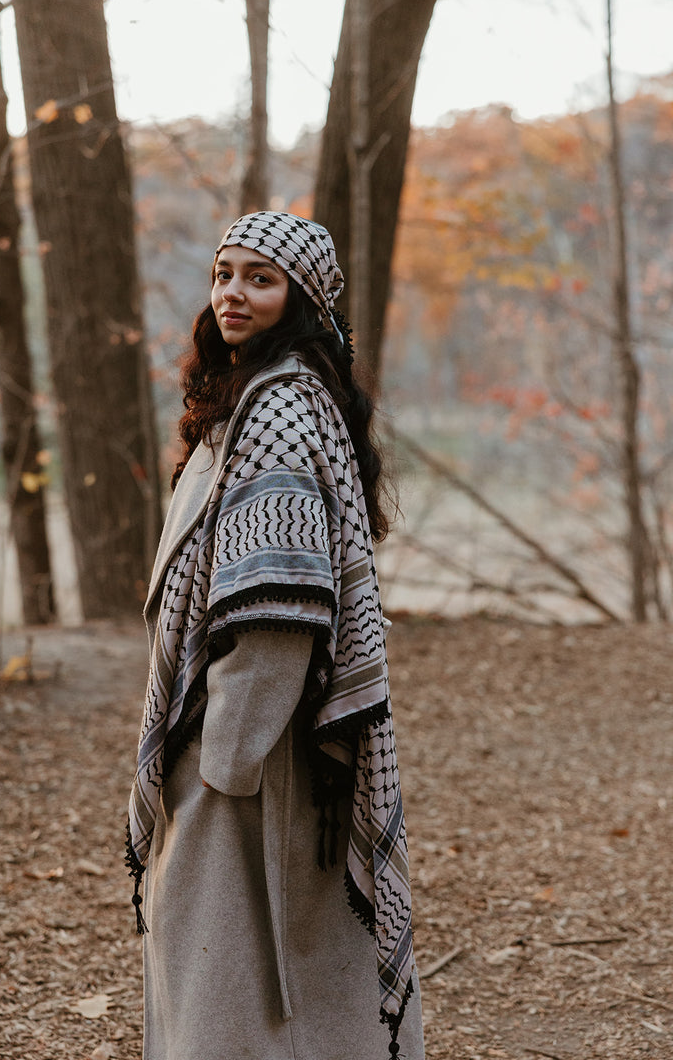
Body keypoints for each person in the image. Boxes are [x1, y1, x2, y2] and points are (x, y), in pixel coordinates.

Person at [126, 211, 425, 1060]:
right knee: (277, 978)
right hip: (262, 756)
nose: (232, 293)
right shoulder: (264, 394)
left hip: (257, 764)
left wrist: (221, 764)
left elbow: (275, 618)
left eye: (261, 278)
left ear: (300, 298)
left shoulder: (280, 407)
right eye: (224, 273)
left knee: (242, 993)